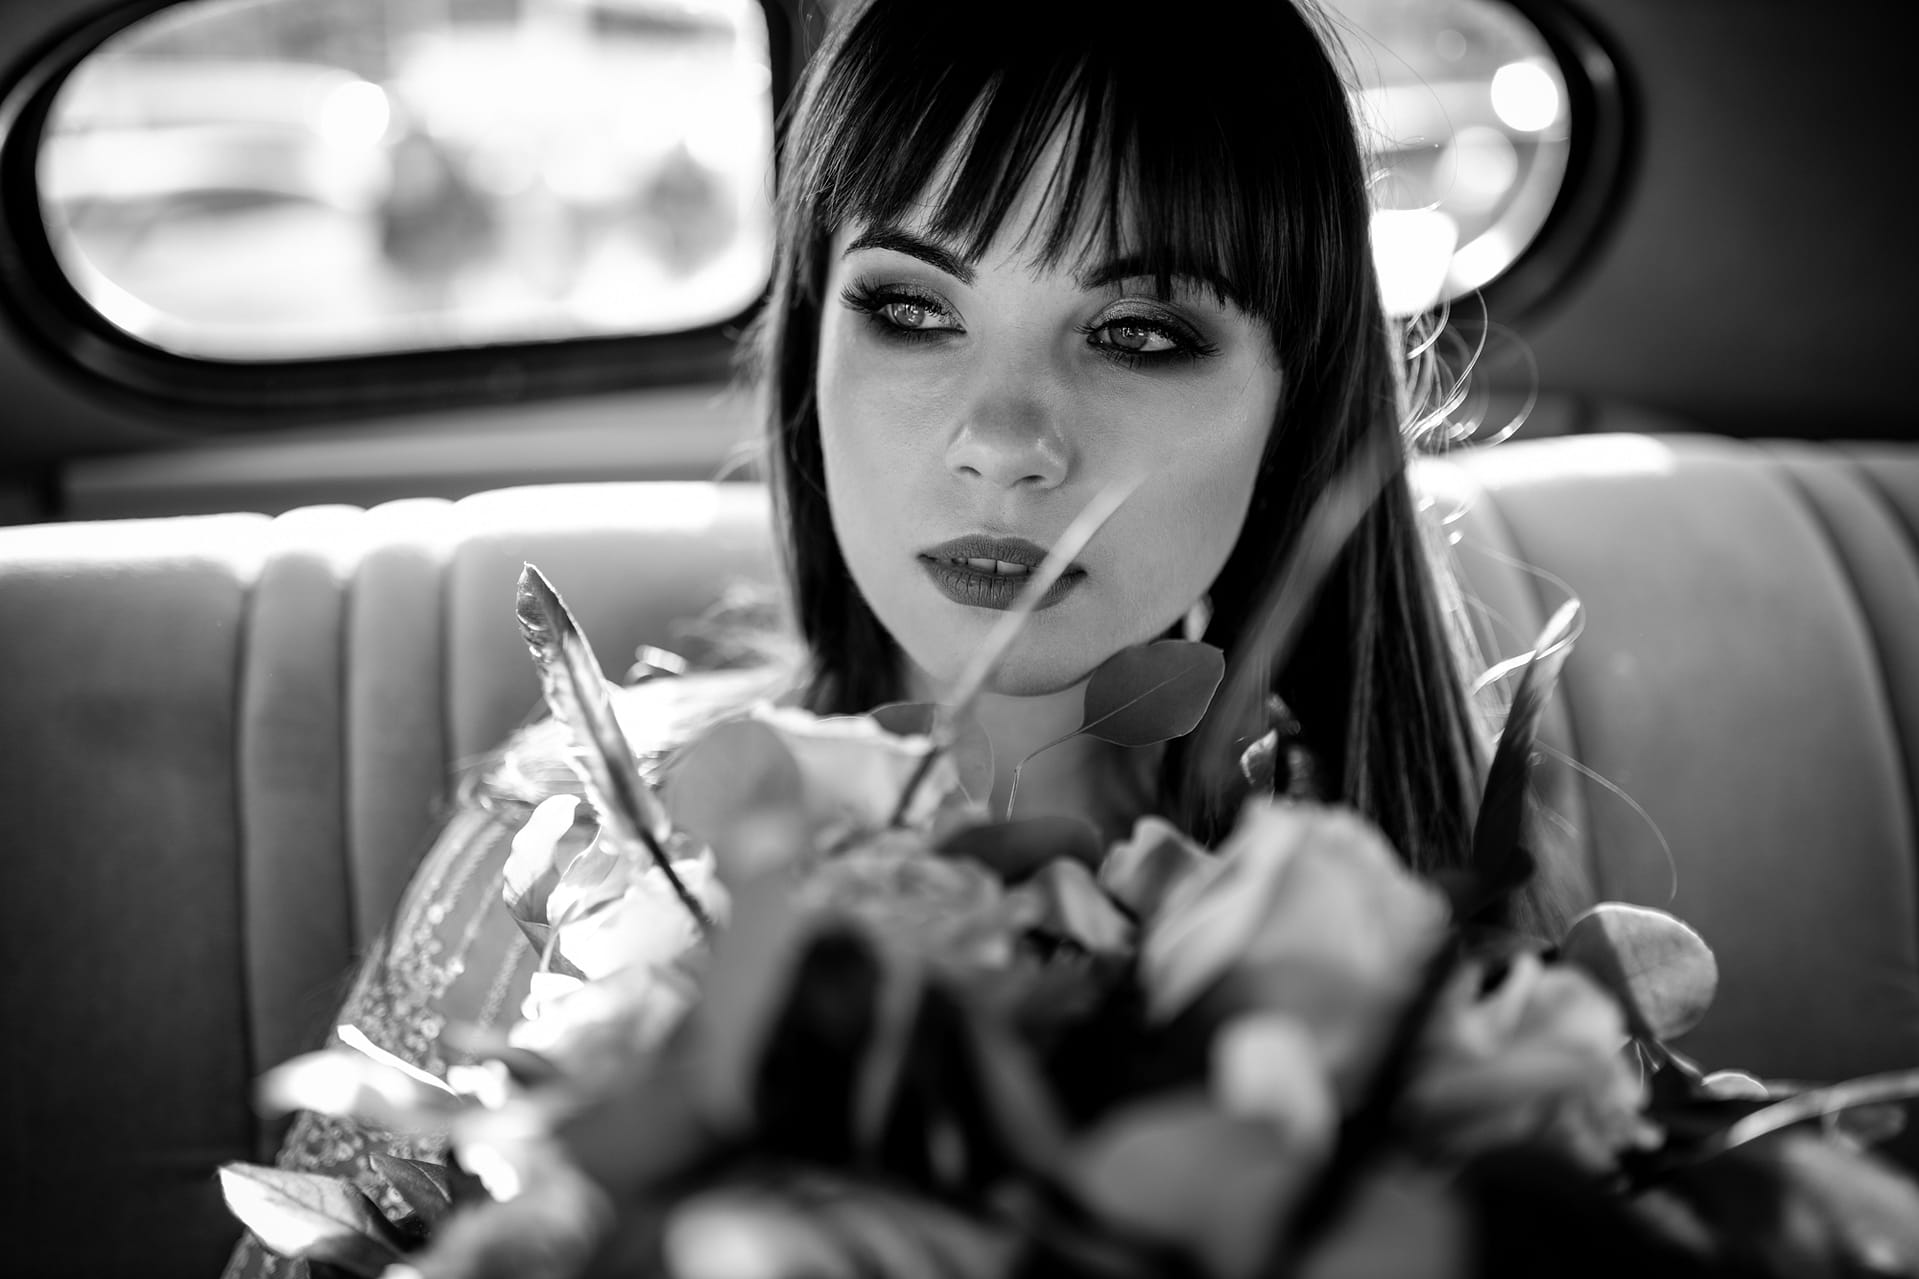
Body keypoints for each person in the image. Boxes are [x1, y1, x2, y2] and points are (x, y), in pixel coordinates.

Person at [223, 2, 1531, 1274]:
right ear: (814, 347)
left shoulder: (1393, 939)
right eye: (910, 310)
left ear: (1296, 400)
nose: (1003, 442)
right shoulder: (571, 841)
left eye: (1138, 334)